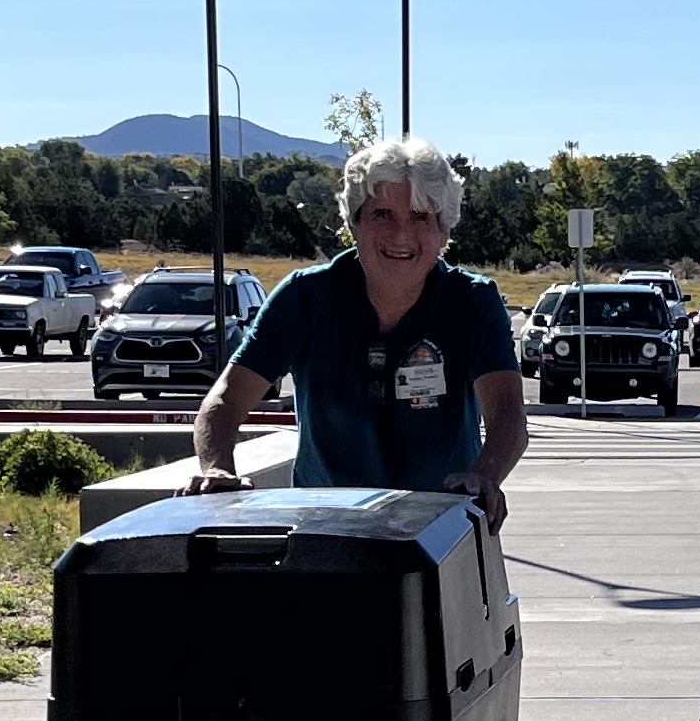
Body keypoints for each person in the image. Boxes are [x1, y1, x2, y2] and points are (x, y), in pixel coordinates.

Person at [195, 136, 528, 522]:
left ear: (444, 232)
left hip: (439, 529)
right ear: (353, 223)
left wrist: (484, 475)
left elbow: (508, 414)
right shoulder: (305, 298)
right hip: (325, 529)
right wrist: (216, 469)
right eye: (382, 213)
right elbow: (224, 401)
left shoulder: (472, 301)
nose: (401, 234)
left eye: (421, 216)